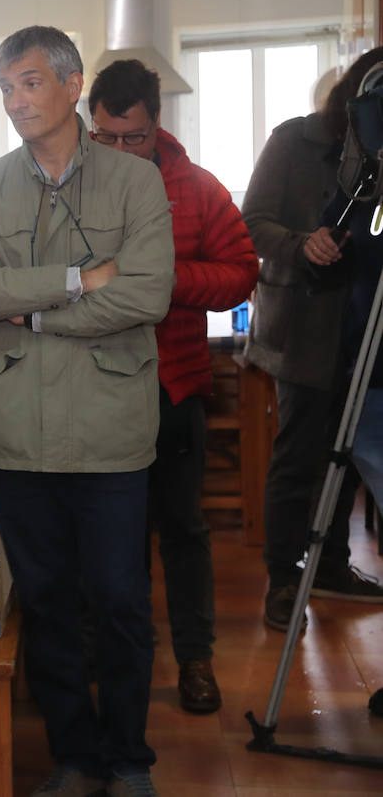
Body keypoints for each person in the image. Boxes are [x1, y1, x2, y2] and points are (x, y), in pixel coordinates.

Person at [0, 26, 173, 797]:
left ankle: (129, 758)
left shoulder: (135, 183)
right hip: (15, 434)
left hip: (111, 429)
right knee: (44, 601)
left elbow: (147, 294)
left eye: (30, 82)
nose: (16, 101)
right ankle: (74, 756)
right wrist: (77, 283)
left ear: (73, 86)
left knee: (119, 601)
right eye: (6, 87)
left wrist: (31, 308)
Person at [88, 58, 259, 715]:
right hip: (96, 392)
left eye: (133, 137)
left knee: (183, 532)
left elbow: (242, 274)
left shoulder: (195, 186)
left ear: (156, 125)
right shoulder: (70, 184)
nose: (121, 150)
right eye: (107, 137)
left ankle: (195, 660)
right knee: (110, 539)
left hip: (173, 388)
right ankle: (120, 658)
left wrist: (168, 281)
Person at [241, 46, 383, 632]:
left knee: (351, 454)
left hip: (367, 326)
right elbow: (254, 221)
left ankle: (331, 565)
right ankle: (283, 578)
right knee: (298, 455)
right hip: (305, 324)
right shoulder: (292, 141)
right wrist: (303, 243)